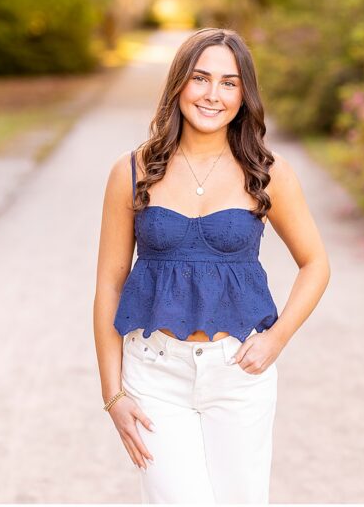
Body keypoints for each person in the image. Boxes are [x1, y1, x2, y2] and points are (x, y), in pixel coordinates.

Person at [93, 27, 330, 504]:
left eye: (229, 82)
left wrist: (276, 339)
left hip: (238, 375)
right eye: (201, 78)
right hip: (155, 372)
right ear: (179, 83)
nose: (212, 94)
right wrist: (113, 396)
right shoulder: (132, 171)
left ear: (244, 96)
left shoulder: (268, 173)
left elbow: (316, 263)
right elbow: (108, 284)